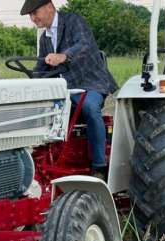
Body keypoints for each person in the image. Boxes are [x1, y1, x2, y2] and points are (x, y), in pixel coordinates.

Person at [21, 0, 118, 180]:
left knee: (89, 107)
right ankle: (40, 161)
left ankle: (99, 166)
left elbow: (84, 45)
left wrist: (64, 56)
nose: (33, 18)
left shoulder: (73, 21)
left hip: (91, 83)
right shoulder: (45, 38)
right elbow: (41, 67)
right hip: (66, 89)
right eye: (30, 15)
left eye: (35, 13)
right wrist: (30, 83)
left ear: (49, 6)